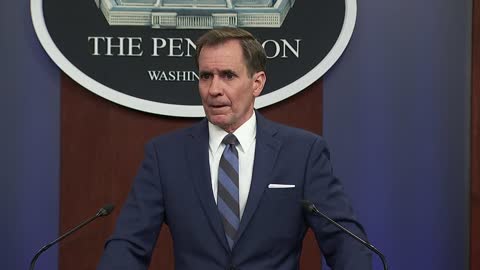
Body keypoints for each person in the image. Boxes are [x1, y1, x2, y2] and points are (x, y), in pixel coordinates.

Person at [97, 27, 372, 270]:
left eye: (228, 75)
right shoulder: (165, 156)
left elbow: (346, 242)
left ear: (257, 83)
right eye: (206, 76)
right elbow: (128, 245)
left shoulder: (303, 153)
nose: (213, 89)